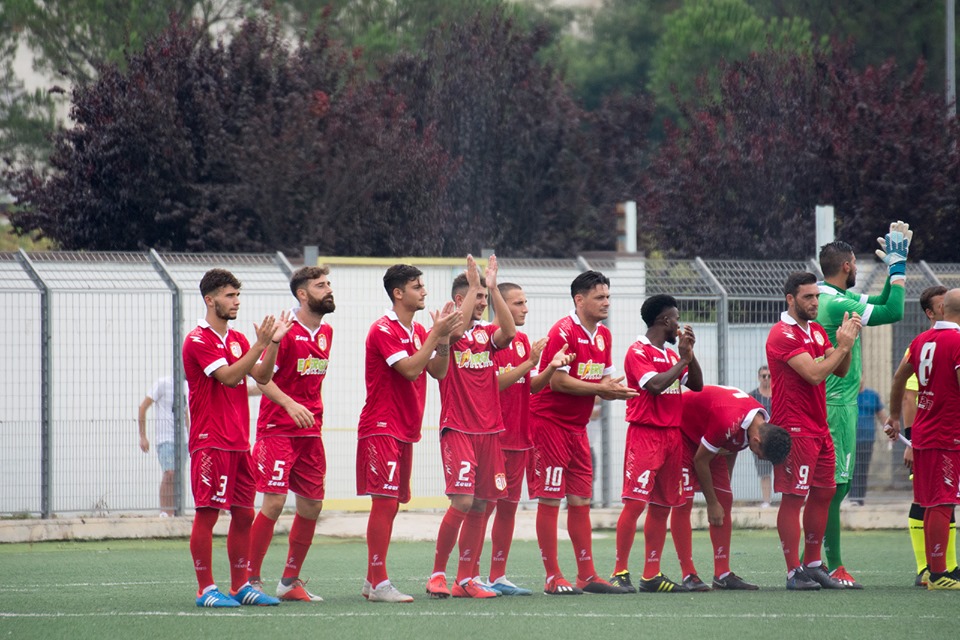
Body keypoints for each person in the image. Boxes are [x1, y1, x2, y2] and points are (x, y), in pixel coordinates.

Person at [182, 268, 290, 608]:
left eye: (237, 295)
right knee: (208, 513)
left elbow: (262, 375)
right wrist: (260, 343)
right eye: (230, 296)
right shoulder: (197, 340)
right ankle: (205, 589)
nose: (236, 302)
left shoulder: (239, 339)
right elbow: (229, 377)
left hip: (239, 442)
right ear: (210, 300)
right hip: (210, 439)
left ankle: (240, 585)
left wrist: (271, 344)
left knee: (244, 514)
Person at [357, 264, 461, 603]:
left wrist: (441, 338)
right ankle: (380, 582)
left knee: (392, 505)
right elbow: (410, 369)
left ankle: (373, 580)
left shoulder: (416, 330)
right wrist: (436, 332)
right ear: (398, 293)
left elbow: (438, 371)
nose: (424, 292)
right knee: (384, 504)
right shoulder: (383, 329)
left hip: (404, 429)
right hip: (381, 427)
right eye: (417, 287)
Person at [531, 271, 638, 596]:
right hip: (548, 424)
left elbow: (605, 381)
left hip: (578, 429)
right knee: (551, 498)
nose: (606, 302)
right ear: (579, 300)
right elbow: (557, 382)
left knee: (581, 500)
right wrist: (600, 388)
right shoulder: (563, 331)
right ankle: (553, 577)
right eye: (599, 297)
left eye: (607, 296)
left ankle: (587, 575)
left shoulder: (603, 335)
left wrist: (617, 389)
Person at [815, 223, 909, 588]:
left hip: (836, 402)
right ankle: (832, 565)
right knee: (834, 489)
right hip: (835, 404)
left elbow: (884, 304)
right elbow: (895, 312)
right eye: (856, 264)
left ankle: (814, 561)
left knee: (828, 488)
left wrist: (895, 269)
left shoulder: (830, 296)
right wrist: (898, 268)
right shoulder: (837, 302)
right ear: (849, 265)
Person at [471, 282, 573, 596]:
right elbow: (494, 385)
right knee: (484, 507)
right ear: (500, 304)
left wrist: (549, 367)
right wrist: (529, 362)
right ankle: (470, 575)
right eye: (518, 303)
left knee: (508, 508)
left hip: (520, 438)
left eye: (525, 302)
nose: (525, 308)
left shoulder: (524, 340)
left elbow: (528, 387)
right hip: (496, 438)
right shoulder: (489, 339)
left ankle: (498, 575)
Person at [426, 255, 515, 600]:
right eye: (476, 297)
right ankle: (437, 575)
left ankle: (466, 579)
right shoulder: (448, 330)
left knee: (481, 504)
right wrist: (477, 283)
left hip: (490, 431)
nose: (482, 303)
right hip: (458, 428)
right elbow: (457, 330)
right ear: (460, 300)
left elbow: (508, 332)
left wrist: (492, 288)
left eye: (483, 299)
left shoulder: (485, 334)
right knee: (462, 500)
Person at [244, 266, 335, 603]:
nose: (328, 289)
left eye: (329, 284)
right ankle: (249, 579)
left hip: (310, 433)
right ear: (302, 294)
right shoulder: (285, 331)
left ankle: (290, 581)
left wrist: (306, 411)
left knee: (312, 505)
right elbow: (262, 379)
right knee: (275, 500)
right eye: (320, 285)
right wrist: (270, 345)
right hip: (277, 430)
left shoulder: (327, 333)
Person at [765, 271, 861, 591]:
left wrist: (845, 344)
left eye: (817, 296)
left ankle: (815, 564)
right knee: (794, 497)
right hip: (794, 429)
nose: (814, 302)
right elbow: (816, 375)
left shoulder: (817, 330)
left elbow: (841, 369)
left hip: (819, 427)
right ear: (790, 299)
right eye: (808, 297)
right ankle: (794, 572)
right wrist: (841, 347)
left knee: (825, 492)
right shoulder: (782, 334)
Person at [609, 294, 704, 593]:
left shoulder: (670, 355)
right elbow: (655, 385)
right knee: (636, 503)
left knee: (663, 506)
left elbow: (697, 385)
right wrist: (683, 360)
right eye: (676, 318)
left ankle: (651, 574)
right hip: (645, 434)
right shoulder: (638, 351)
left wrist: (689, 354)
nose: (679, 324)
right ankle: (619, 571)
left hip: (672, 437)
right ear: (665, 320)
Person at [670, 385, 793, 591]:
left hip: (709, 436)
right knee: (684, 501)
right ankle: (689, 574)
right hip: (683, 430)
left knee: (725, 499)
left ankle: (722, 574)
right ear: (757, 441)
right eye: (759, 454)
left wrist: (722, 489)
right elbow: (701, 461)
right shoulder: (728, 421)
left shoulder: (759, 424)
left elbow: (733, 445)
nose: (758, 457)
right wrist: (711, 503)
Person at [885, 288, 960, 589]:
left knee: (931, 503)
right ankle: (940, 573)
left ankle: (933, 570)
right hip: (948, 435)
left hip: (925, 434)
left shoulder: (920, 341)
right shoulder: (956, 341)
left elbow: (899, 378)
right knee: (942, 502)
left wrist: (893, 417)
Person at [138, 376, 188, 516]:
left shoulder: (188, 387)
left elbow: (186, 414)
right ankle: (165, 511)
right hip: (165, 438)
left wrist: (191, 437)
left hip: (183, 439)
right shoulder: (162, 384)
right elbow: (143, 407)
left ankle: (176, 511)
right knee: (169, 473)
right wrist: (143, 436)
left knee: (178, 475)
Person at [850, 382, 886, 506]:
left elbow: (881, 415)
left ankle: (859, 497)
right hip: (851, 439)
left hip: (867, 438)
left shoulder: (872, 395)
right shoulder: (849, 394)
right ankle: (852, 496)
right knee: (852, 468)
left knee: (862, 468)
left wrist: (889, 430)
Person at [748, 366, 774, 507]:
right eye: (764, 376)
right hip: (761, 440)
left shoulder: (777, 394)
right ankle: (766, 501)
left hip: (776, 438)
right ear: (759, 377)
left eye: (769, 376)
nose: (766, 379)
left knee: (784, 469)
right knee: (764, 473)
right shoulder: (753, 396)